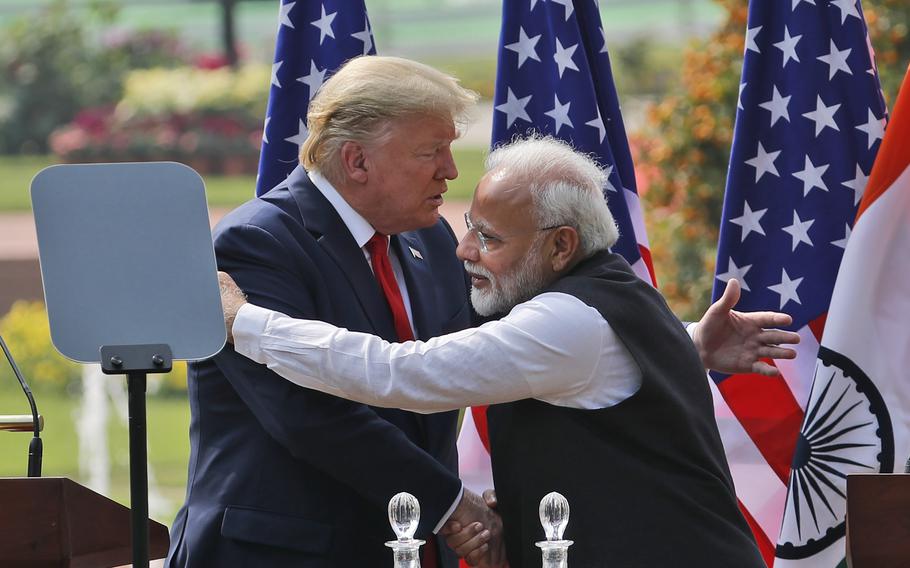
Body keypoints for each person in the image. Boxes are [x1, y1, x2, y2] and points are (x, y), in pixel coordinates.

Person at [220, 135, 800, 567]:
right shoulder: (610, 294)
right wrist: (690, 341)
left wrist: (245, 323)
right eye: (470, 225)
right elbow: (606, 369)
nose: (464, 249)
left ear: (559, 246)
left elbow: (399, 374)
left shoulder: (563, 321)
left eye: (490, 238)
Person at [166, 56, 505, 567]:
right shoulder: (257, 244)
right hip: (283, 554)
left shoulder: (430, 237)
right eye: (431, 151)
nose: (451, 170)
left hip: (405, 546)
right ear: (357, 161)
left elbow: (469, 361)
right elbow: (310, 415)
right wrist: (453, 507)